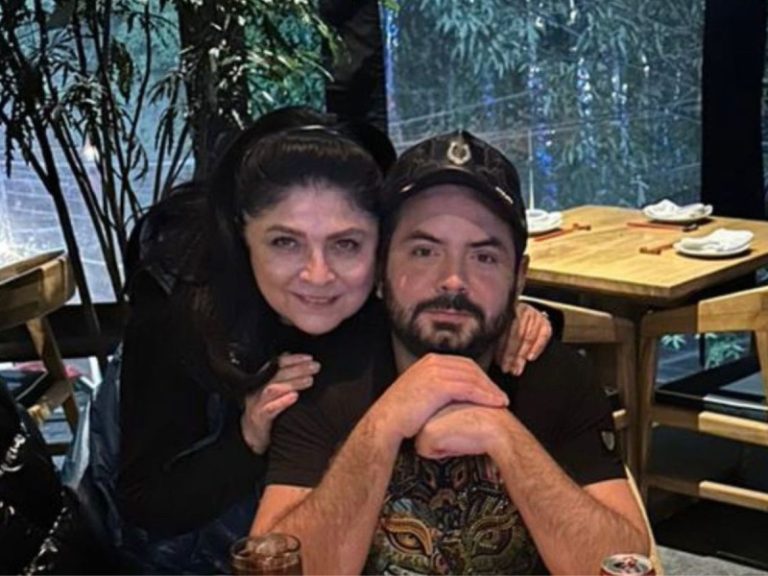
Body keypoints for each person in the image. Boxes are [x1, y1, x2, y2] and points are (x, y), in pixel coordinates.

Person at [112, 109, 552, 573]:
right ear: (243, 236)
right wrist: (244, 440)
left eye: (346, 245)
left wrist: (509, 317)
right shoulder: (178, 316)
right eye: (285, 242)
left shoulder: (373, 300)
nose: (318, 275)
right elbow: (144, 505)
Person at [251, 130, 652, 575]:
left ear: (518, 279)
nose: (453, 281)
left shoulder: (558, 377)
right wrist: (382, 427)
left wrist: (504, 436)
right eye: (424, 251)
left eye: (484, 258)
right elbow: (272, 567)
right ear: (381, 269)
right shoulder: (320, 379)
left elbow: (627, 566)